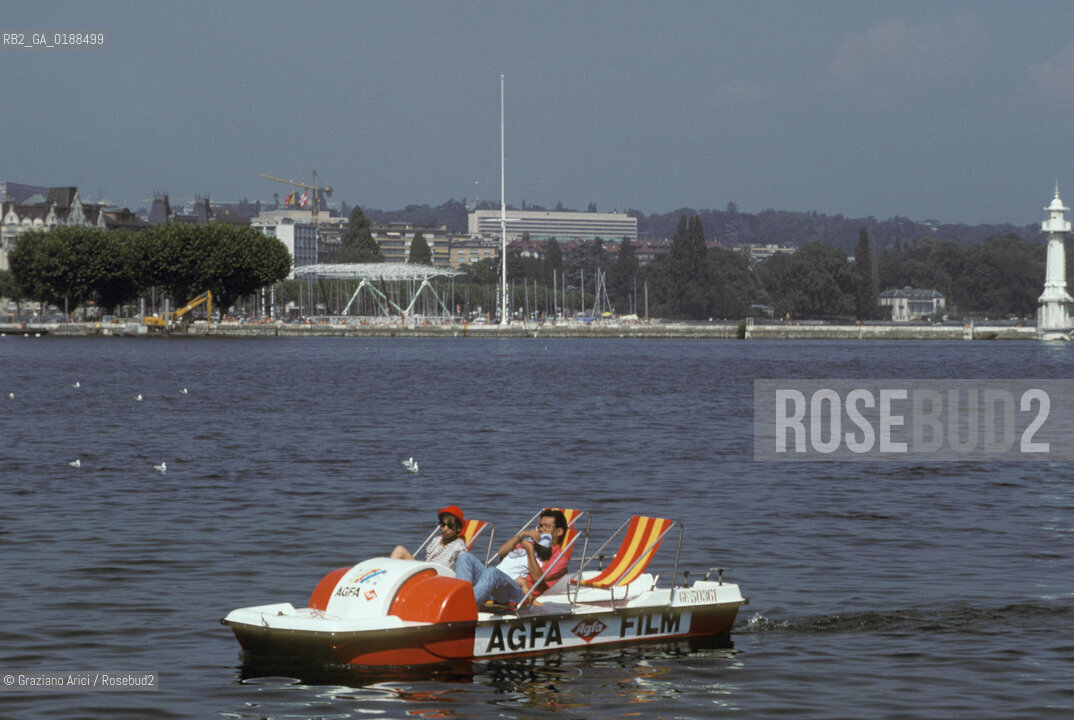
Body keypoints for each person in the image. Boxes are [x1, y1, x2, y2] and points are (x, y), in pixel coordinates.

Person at [455, 509, 569, 606]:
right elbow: (502, 553)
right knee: (465, 557)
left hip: (519, 593)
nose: (541, 529)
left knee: (492, 572)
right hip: (501, 583)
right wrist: (521, 536)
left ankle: (464, 606)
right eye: (540, 525)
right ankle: (462, 597)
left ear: (559, 531)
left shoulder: (559, 558)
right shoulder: (530, 542)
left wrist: (530, 550)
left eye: (547, 526)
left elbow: (538, 580)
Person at [390, 505, 468, 571]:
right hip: (426, 571)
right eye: (443, 524)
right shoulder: (437, 540)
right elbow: (427, 560)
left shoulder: (458, 545)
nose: (445, 529)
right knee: (399, 550)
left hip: (440, 578)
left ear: (458, 528)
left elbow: (463, 568)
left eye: (450, 526)